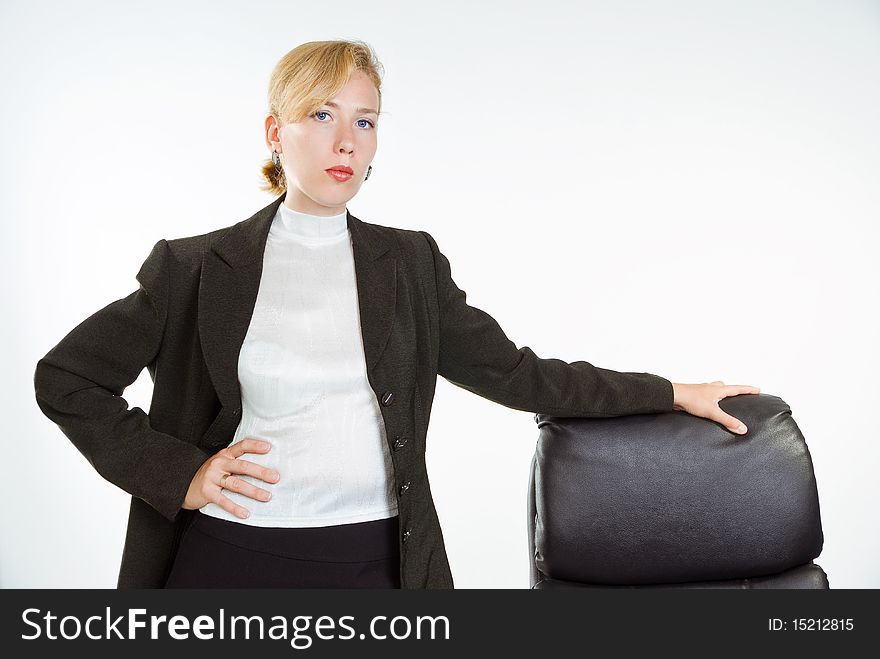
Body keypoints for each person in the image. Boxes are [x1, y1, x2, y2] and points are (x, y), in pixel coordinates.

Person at [34, 39, 760, 589]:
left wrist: (671, 392)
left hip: (381, 562)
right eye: (320, 115)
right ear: (274, 133)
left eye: (365, 120)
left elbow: (519, 374)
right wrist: (182, 472)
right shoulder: (194, 267)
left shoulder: (408, 263)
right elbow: (66, 378)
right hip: (232, 562)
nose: (346, 140)